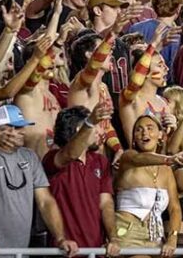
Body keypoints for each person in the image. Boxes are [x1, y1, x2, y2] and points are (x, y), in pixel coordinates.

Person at [0, 104, 79, 256]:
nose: (23, 132)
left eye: (21, 127)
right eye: (16, 128)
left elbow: (45, 201)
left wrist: (60, 238)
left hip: (21, 251)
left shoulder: (30, 157)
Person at [42, 103, 118, 254]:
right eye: (95, 126)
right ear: (79, 130)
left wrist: (113, 238)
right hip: (66, 251)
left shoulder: (100, 161)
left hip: (96, 251)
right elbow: (70, 154)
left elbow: (106, 204)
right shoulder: (53, 158)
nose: (99, 131)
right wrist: (90, 122)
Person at [113, 115, 182, 256]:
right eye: (138, 130)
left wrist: (173, 237)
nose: (144, 133)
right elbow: (140, 158)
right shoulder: (128, 157)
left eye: (150, 128)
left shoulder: (166, 170)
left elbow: (175, 208)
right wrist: (169, 159)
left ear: (160, 135)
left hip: (156, 236)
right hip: (127, 233)